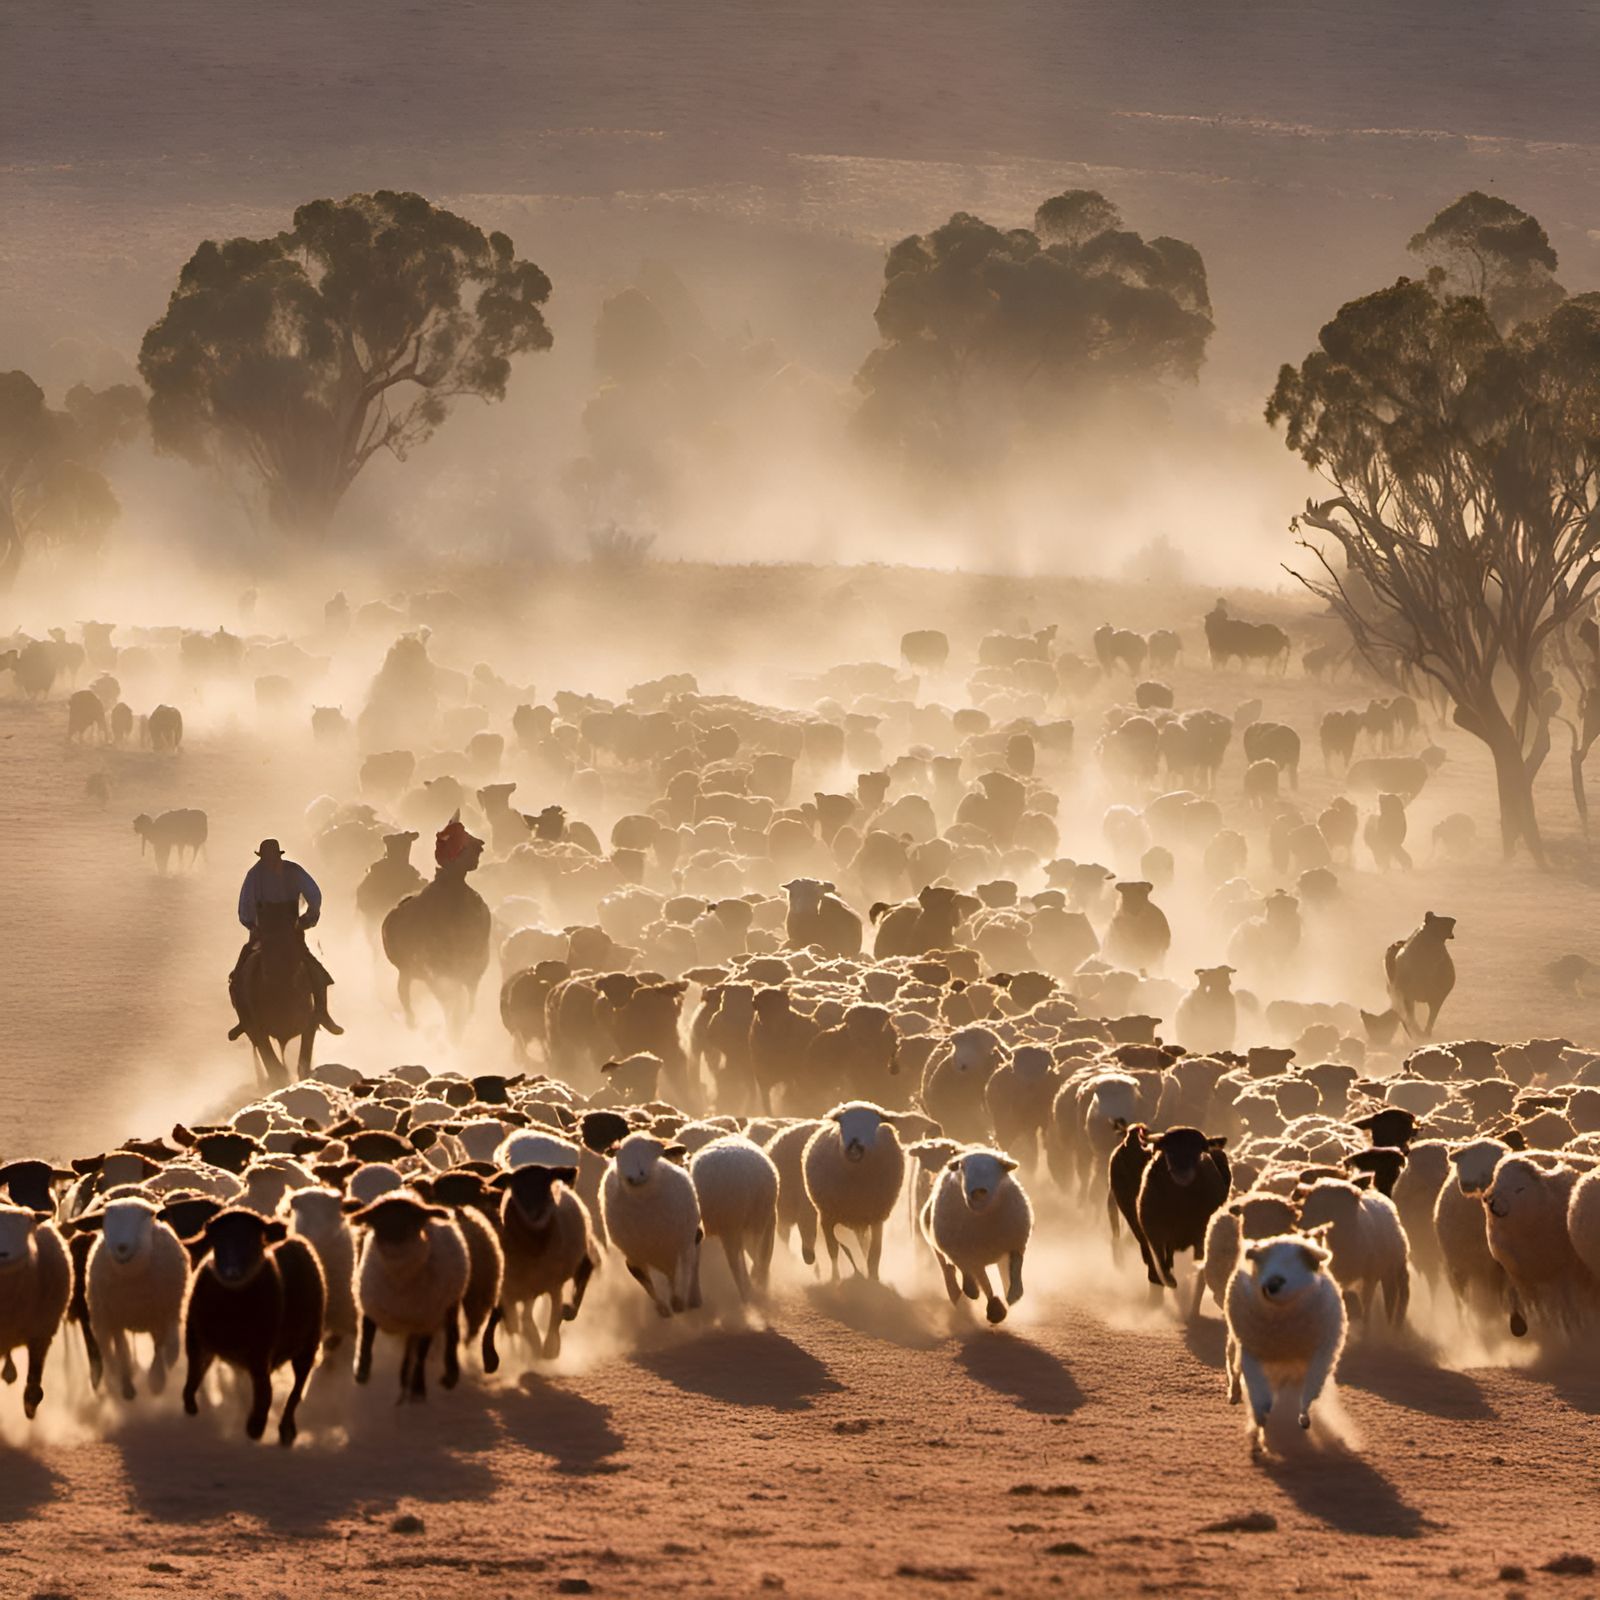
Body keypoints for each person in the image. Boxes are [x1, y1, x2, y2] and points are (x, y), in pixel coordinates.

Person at [227, 839, 342, 1038]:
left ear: (278, 856)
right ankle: (244, 1019)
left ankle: (322, 1013)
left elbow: (314, 894)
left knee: (314, 969)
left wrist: (309, 917)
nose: (271, 861)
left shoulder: (292, 872)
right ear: (263, 857)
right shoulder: (255, 875)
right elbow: (245, 905)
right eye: (267, 858)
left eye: (273, 857)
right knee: (238, 974)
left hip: (291, 928)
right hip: (265, 929)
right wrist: (252, 926)